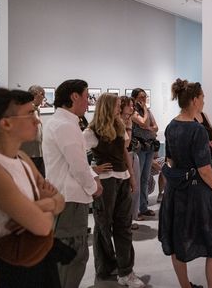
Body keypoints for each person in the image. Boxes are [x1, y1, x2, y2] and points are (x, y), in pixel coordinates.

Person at [159, 79, 212, 288]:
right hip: (198, 193)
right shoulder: (198, 130)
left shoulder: (171, 126)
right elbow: (205, 170)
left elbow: (170, 160)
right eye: (203, 97)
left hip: (176, 192)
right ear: (195, 100)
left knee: (178, 241)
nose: (205, 100)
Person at [0, 88, 66, 288]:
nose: (37, 120)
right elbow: (43, 226)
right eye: (29, 114)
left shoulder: (22, 158)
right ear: (6, 123)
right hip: (11, 267)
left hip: (38, 258)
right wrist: (51, 204)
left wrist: (40, 205)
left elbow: (61, 201)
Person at [42, 79, 104, 288]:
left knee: (71, 254)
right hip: (69, 200)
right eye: (86, 97)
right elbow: (78, 166)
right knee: (72, 256)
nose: (88, 102)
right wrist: (94, 187)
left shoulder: (65, 123)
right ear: (74, 97)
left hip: (68, 197)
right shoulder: (64, 125)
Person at [83, 93, 144, 287]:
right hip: (105, 183)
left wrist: (132, 177)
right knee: (103, 226)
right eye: (117, 105)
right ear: (108, 107)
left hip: (122, 179)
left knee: (123, 226)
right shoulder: (91, 131)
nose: (120, 108)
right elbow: (75, 155)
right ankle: (105, 267)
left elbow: (124, 152)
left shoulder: (119, 126)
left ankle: (126, 270)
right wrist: (93, 169)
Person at [130, 88, 159, 218]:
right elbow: (143, 123)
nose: (144, 99)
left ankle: (144, 207)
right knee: (137, 178)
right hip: (139, 149)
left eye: (145, 96)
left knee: (145, 178)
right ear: (135, 98)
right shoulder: (132, 112)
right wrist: (147, 123)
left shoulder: (148, 111)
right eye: (141, 97)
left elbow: (156, 127)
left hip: (149, 147)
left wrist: (147, 125)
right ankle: (135, 210)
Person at [120, 96, 142, 228]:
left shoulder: (128, 121)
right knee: (125, 191)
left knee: (134, 189)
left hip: (132, 155)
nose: (132, 108)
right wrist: (128, 127)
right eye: (130, 105)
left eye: (133, 105)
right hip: (123, 157)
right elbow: (126, 142)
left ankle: (131, 218)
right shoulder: (118, 122)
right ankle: (125, 220)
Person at [20, 85, 46, 177]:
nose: (43, 97)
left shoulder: (36, 109)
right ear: (36, 95)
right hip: (29, 154)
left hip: (38, 153)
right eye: (42, 95)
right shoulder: (25, 110)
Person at [194, 111, 212, 178]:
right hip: (201, 154)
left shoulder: (203, 114)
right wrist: (207, 143)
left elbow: (211, 129)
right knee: (205, 177)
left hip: (210, 152)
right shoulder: (190, 118)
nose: (203, 102)